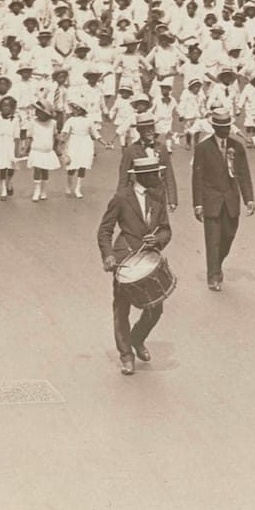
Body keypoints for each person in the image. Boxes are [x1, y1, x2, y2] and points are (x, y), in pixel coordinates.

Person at [98, 154, 173, 376]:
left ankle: (137, 338)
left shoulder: (158, 198)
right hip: (125, 260)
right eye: (155, 174)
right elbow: (105, 230)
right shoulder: (122, 197)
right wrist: (108, 256)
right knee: (122, 308)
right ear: (142, 176)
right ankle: (126, 355)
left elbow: (166, 229)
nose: (159, 177)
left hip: (149, 260)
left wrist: (158, 240)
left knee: (155, 308)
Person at [191, 109, 255, 291]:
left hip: (231, 201)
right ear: (214, 128)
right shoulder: (203, 148)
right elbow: (197, 177)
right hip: (211, 201)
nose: (226, 130)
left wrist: (249, 199)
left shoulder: (238, 147)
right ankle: (213, 276)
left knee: (228, 236)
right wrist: (198, 204)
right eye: (222, 127)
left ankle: (217, 264)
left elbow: (244, 174)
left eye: (227, 127)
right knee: (212, 240)